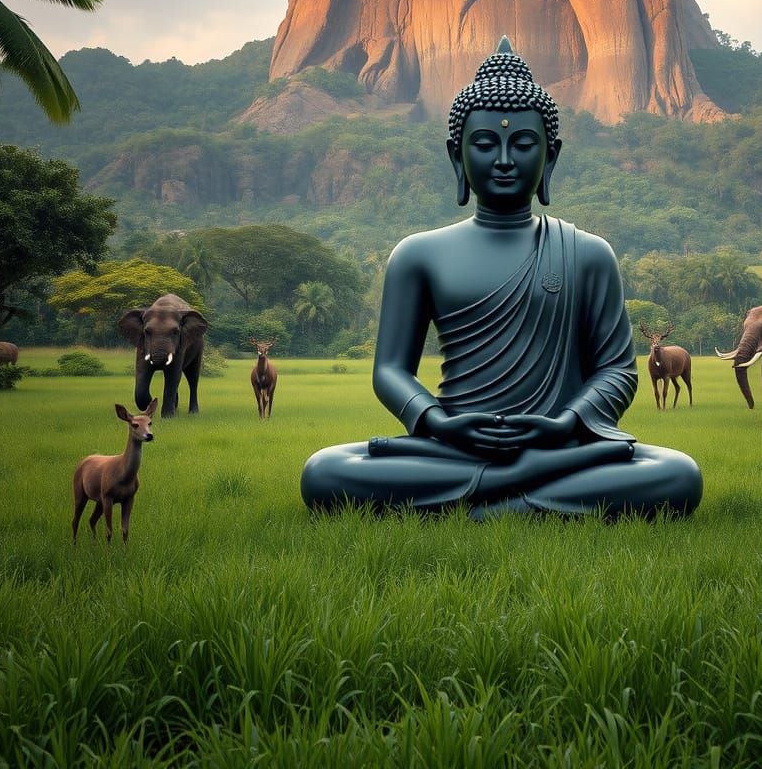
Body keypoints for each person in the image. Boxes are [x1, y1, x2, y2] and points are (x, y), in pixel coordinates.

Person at [300, 39, 702, 518]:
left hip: (559, 447)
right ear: (458, 156)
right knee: (324, 470)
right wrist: (439, 423)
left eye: (524, 144)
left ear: (550, 158)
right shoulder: (417, 254)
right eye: (486, 144)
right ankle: (526, 499)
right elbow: (389, 371)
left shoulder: (589, 253)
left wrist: (564, 424)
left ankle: (483, 499)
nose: (505, 159)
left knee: (679, 473)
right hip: (455, 445)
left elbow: (617, 371)